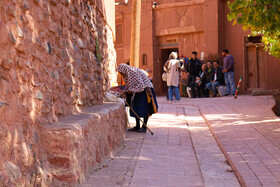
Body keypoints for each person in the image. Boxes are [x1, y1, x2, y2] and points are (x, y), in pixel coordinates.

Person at [117, 64, 158, 133]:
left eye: (121, 72)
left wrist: (131, 90)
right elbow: (129, 85)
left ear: (125, 70)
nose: (121, 74)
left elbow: (141, 86)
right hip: (138, 91)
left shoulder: (133, 72)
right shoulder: (127, 75)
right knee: (135, 107)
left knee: (145, 108)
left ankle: (144, 127)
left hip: (146, 90)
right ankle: (137, 126)